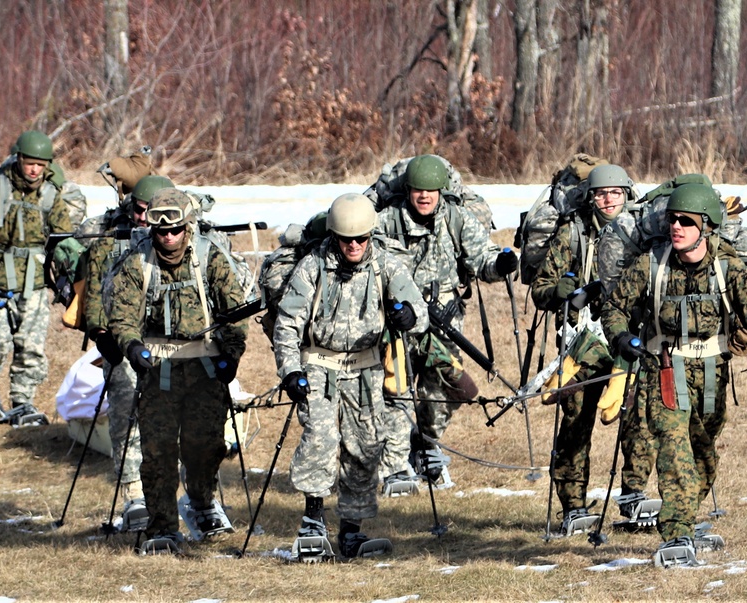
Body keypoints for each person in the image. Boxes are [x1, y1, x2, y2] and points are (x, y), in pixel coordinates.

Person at [601, 183, 747, 566]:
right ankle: (676, 536)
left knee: (704, 460)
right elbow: (614, 308)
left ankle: (684, 520)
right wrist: (622, 338)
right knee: (676, 454)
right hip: (663, 371)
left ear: (705, 227)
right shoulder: (651, 264)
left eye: (686, 221)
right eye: (672, 219)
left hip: (712, 374)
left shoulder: (728, 269)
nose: (676, 227)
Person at [273, 193, 427, 559]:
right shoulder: (313, 267)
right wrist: (291, 370)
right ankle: (313, 520)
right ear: (335, 237)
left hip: (366, 368)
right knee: (320, 441)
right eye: (347, 240)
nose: (354, 246)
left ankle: (352, 531)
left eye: (361, 239)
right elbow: (288, 324)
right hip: (320, 367)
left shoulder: (386, 264)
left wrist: (408, 317)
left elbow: (418, 308)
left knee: (365, 446)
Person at [108, 187, 248, 554]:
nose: (168, 237)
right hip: (157, 371)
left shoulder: (211, 258)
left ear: (188, 227)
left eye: (175, 230)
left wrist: (231, 356)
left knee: (205, 447)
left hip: (205, 369)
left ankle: (202, 500)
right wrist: (132, 347)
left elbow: (235, 313)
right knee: (158, 453)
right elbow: (122, 316)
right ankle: (163, 526)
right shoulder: (137, 263)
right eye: (161, 232)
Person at [374, 154, 518, 489]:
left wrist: (502, 265)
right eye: (417, 190)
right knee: (396, 390)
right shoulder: (387, 221)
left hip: (445, 319)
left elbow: (482, 257)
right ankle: (394, 466)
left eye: (431, 191)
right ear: (407, 190)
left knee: (445, 387)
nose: (424, 197)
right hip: (399, 319)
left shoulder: (457, 219)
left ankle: (425, 445)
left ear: (442, 191)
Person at [530, 163, 640, 535]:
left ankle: (634, 497)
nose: (608, 200)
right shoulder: (572, 233)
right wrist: (559, 292)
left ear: (627, 194)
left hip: (627, 340)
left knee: (637, 419)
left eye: (615, 193)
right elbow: (541, 288)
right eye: (601, 193)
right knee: (576, 422)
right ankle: (573, 507)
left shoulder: (640, 231)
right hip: (582, 341)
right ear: (590, 196)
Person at [0, 130, 85, 425]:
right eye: (29, 163)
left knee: (31, 346)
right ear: (19, 159)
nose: (34, 170)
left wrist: (69, 280)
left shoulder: (51, 195)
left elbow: (64, 240)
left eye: (40, 165)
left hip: (36, 281)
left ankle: (22, 402)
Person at [85, 174, 172, 532]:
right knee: (127, 415)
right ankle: (133, 493)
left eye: (153, 212)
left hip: (169, 345)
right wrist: (105, 336)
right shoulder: (110, 244)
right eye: (139, 211)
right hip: (123, 345)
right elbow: (94, 302)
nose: (144, 219)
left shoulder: (174, 242)